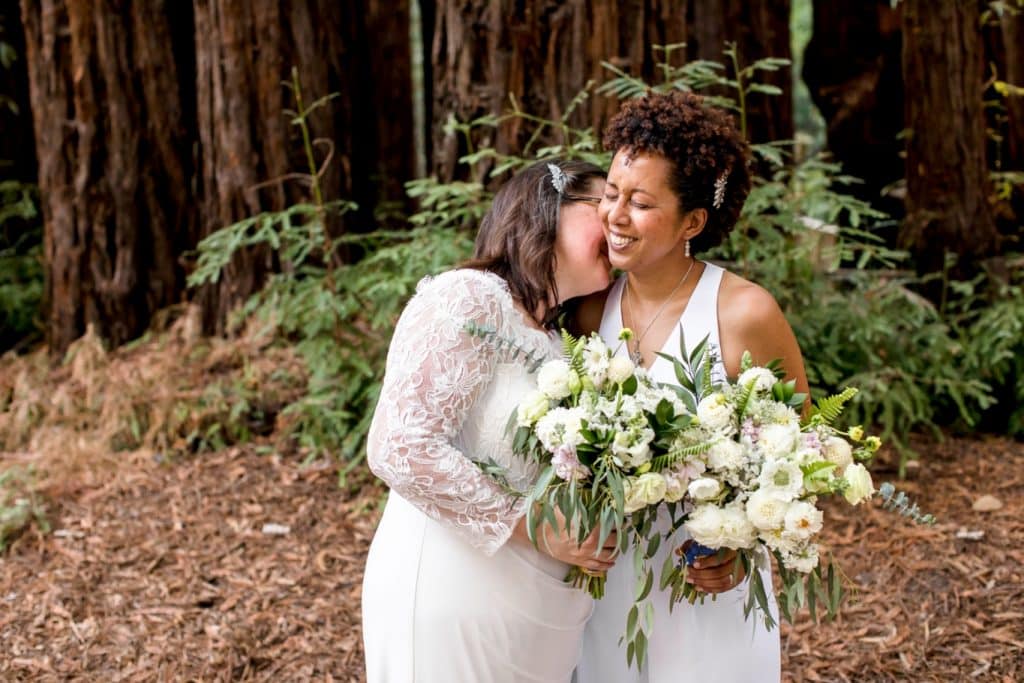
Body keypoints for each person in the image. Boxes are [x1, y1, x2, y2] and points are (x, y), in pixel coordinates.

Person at [574, 91, 811, 682]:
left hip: (703, 577)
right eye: (611, 193)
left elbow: (802, 450)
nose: (615, 216)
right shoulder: (587, 309)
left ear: (692, 222)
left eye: (641, 203)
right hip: (605, 578)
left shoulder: (743, 311)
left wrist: (740, 539)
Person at [362, 159, 620, 683]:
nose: (618, 223)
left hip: (536, 615)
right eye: (604, 203)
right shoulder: (469, 297)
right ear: (550, 207)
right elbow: (399, 444)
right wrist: (534, 528)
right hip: (451, 592)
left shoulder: (559, 343)